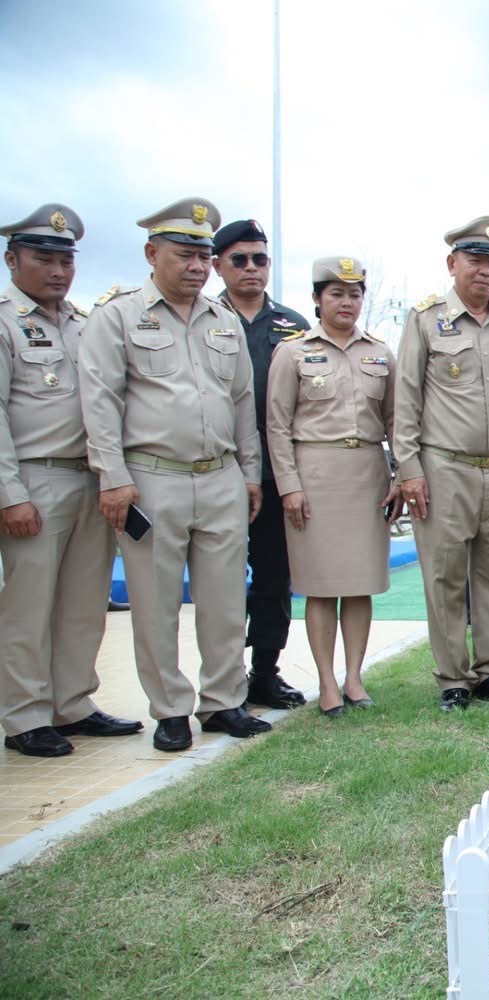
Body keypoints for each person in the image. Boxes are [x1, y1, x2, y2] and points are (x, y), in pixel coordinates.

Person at [79, 197, 269, 752]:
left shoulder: (223, 319)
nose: (196, 266)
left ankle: (223, 702)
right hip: (150, 477)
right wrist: (112, 476)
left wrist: (250, 474)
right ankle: (169, 709)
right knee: (157, 602)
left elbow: (241, 403)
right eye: (184, 254)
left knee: (225, 600)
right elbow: (101, 401)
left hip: (220, 477)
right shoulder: (117, 316)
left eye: (204, 255)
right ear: (151, 253)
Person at [0, 203, 141, 757]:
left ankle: (72, 702)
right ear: (12, 260)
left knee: (84, 602)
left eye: (65, 259)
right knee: (29, 606)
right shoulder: (5, 321)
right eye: (44, 258)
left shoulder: (85, 325)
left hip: (92, 480)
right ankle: (24, 715)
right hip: (34, 480)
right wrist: (9, 494)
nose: (58, 271)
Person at [391, 215, 489, 712]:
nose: (486, 271)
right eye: (476, 260)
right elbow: (406, 401)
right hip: (443, 468)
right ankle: (453, 679)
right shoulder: (424, 319)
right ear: (452, 263)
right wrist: (409, 468)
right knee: (445, 576)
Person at [264, 257, 399, 717]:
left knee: (359, 585)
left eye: (355, 293)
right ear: (318, 299)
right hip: (314, 475)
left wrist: (400, 474)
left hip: (367, 473)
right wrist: (289, 487)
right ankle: (325, 682)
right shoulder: (293, 351)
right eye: (336, 293)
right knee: (321, 587)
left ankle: (354, 678)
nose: (347, 302)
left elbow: (397, 420)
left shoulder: (380, 352)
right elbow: (277, 425)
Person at [211, 218, 310, 710]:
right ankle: (224, 680)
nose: (251, 269)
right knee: (222, 582)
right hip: (220, 470)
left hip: (277, 475)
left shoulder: (293, 327)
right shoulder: (204, 318)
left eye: (260, 259)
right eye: (239, 260)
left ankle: (264, 672)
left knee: (274, 579)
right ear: (217, 266)